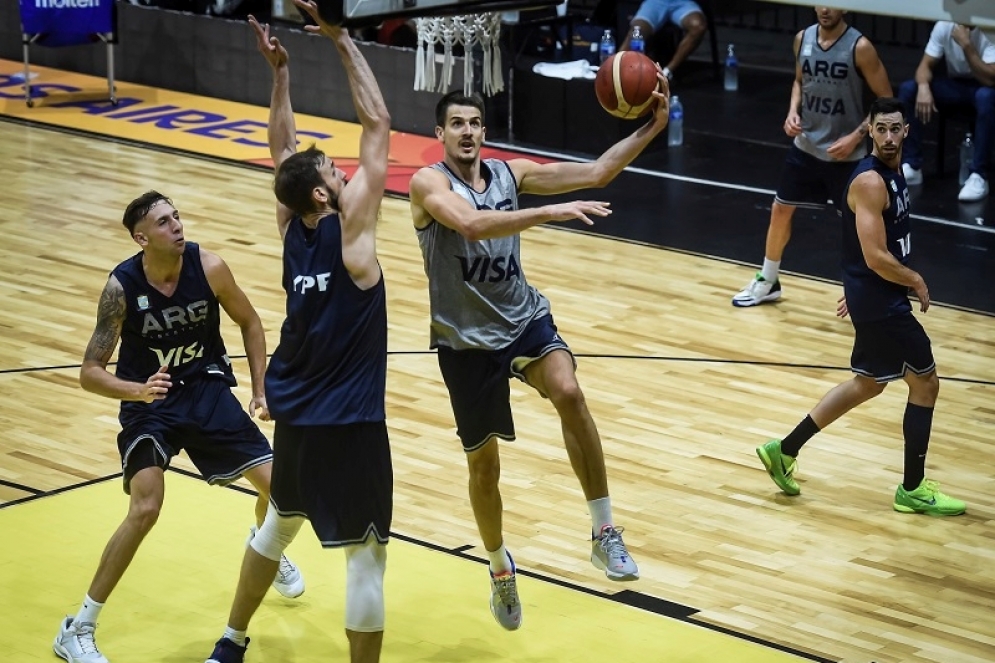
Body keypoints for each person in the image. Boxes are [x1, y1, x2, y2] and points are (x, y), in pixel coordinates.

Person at [408, 77, 669, 630]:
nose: (468, 132)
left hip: (523, 319)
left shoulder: (510, 172)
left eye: (476, 123)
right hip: (465, 340)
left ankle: (604, 532)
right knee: (485, 466)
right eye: (457, 123)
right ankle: (501, 568)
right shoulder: (427, 184)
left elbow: (599, 172)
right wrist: (547, 214)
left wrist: (652, 126)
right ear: (439, 133)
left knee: (570, 391)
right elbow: (473, 225)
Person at [204, 2, 392, 662]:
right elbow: (378, 122)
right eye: (333, 173)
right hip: (354, 421)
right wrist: (341, 41)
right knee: (366, 554)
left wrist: (280, 76)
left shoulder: (293, 233)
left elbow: (282, 154)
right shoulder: (353, 237)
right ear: (320, 196)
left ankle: (229, 643)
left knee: (279, 525)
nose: (342, 172)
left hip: (300, 415)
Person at [54, 191, 304, 663]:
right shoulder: (122, 287)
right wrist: (137, 391)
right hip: (152, 404)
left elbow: (251, 323)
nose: (177, 226)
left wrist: (260, 389)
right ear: (141, 237)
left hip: (206, 393)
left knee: (285, 492)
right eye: (165, 222)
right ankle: (78, 627)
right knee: (146, 506)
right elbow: (90, 372)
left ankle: (264, 544)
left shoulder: (209, 266)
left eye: (177, 217)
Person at [756, 97, 966, 517]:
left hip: (873, 296)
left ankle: (784, 449)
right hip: (883, 302)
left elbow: (862, 249)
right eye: (880, 129)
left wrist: (857, 287)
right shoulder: (870, 181)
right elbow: (875, 255)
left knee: (868, 383)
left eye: (895, 129)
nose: (888, 138)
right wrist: (915, 280)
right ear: (868, 130)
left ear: (906, 131)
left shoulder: (891, 172)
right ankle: (912, 489)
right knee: (925, 384)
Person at [732, 6, 892, 307]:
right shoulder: (802, 38)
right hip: (806, 147)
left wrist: (857, 136)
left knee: (859, 226)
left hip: (846, 155)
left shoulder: (860, 46)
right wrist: (793, 111)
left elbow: (886, 100)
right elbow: (798, 80)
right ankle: (768, 280)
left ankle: (864, 289)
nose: (825, 8)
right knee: (780, 210)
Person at [897, 21, 995, 202]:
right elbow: (924, 66)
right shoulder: (944, 25)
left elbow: (990, 79)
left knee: (986, 97)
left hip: (983, 88)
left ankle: (979, 176)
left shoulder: (988, 26)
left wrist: (966, 45)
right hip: (955, 86)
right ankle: (912, 165)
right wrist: (924, 86)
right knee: (909, 89)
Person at [620, 0, 707, 81]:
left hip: (683, 2)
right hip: (656, 2)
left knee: (698, 27)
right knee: (636, 31)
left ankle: (667, 72)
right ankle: (613, 72)